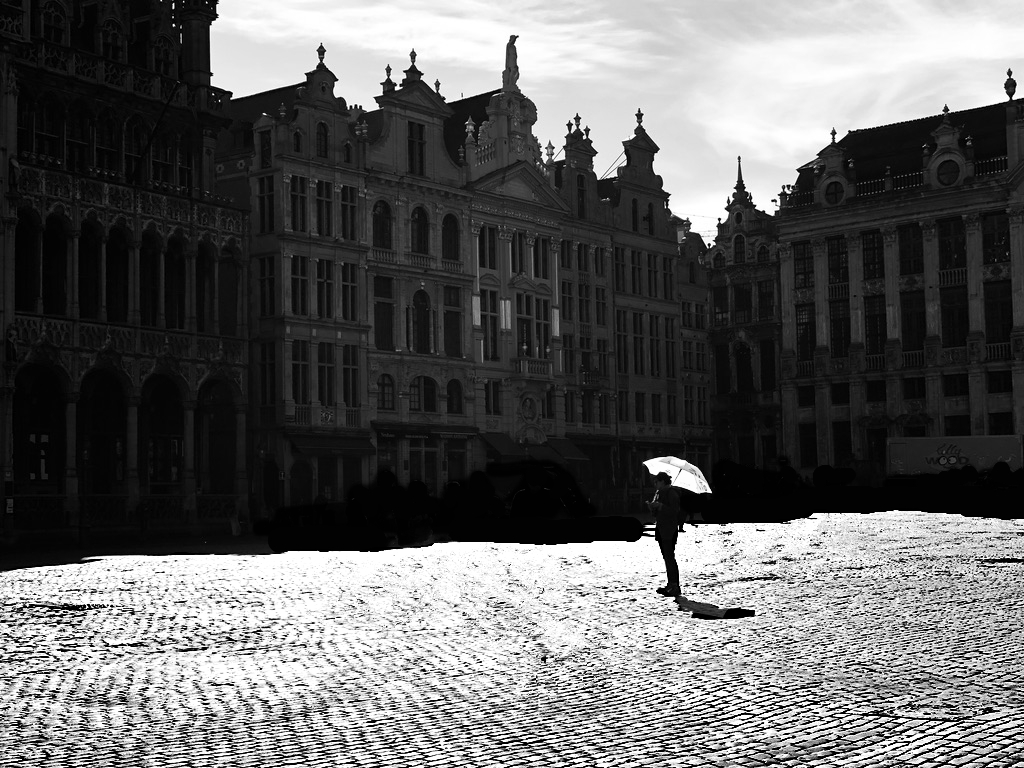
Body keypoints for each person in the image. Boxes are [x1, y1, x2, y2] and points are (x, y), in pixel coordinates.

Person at [647, 472, 682, 597]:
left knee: (669, 557)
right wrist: (653, 508)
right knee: (666, 557)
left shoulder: (672, 493)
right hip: (661, 529)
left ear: (663, 481)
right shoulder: (659, 494)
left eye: (656, 482)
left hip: (669, 529)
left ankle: (675, 585)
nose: (655, 484)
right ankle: (670, 584)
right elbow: (656, 515)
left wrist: (661, 506)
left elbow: (675, 511)